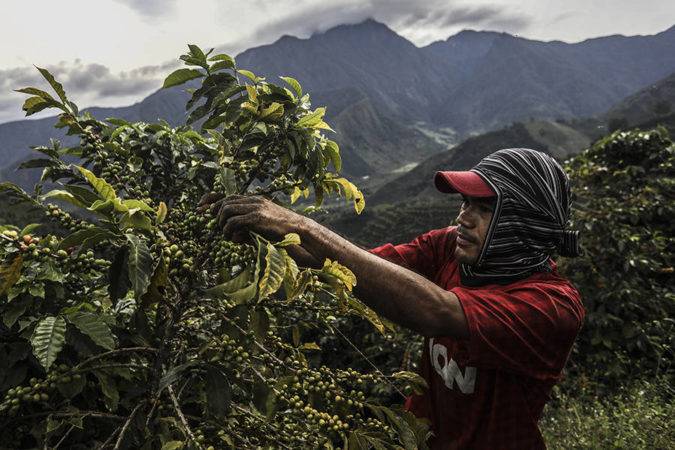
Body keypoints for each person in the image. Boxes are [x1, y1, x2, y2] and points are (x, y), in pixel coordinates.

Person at [197, 148, 585, 449]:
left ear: (520, 223)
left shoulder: (551, 306)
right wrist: (266, 231)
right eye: (465, 203)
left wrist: (302, 224)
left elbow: (437, 312)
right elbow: (354, 269)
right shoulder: (451, 247)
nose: (463, 217)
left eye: (483, 209)